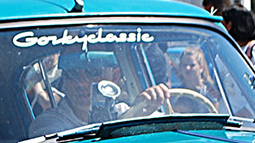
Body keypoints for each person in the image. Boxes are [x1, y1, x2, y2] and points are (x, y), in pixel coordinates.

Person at [28, 51, 169, 135]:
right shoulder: (49, 123)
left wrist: (152, 102)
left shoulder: (122, 110)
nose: (82, 83)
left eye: (93, 72)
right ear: (64, 79)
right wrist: (130, 117)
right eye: (72, 74)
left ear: (113, 76)